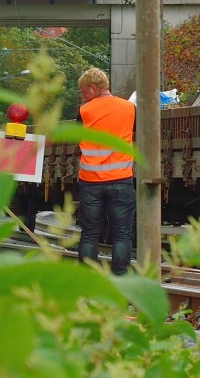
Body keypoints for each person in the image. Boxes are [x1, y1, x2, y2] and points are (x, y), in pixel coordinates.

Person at [76, 67, 136, 275]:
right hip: (121, 181)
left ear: (93, 88)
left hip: (91, 182)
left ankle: (88, 277)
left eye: (84, 92)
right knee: (122, 233)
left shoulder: (84, 111)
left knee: (90, 233)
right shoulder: (129, 108)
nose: (83, 97)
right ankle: (121, 278)